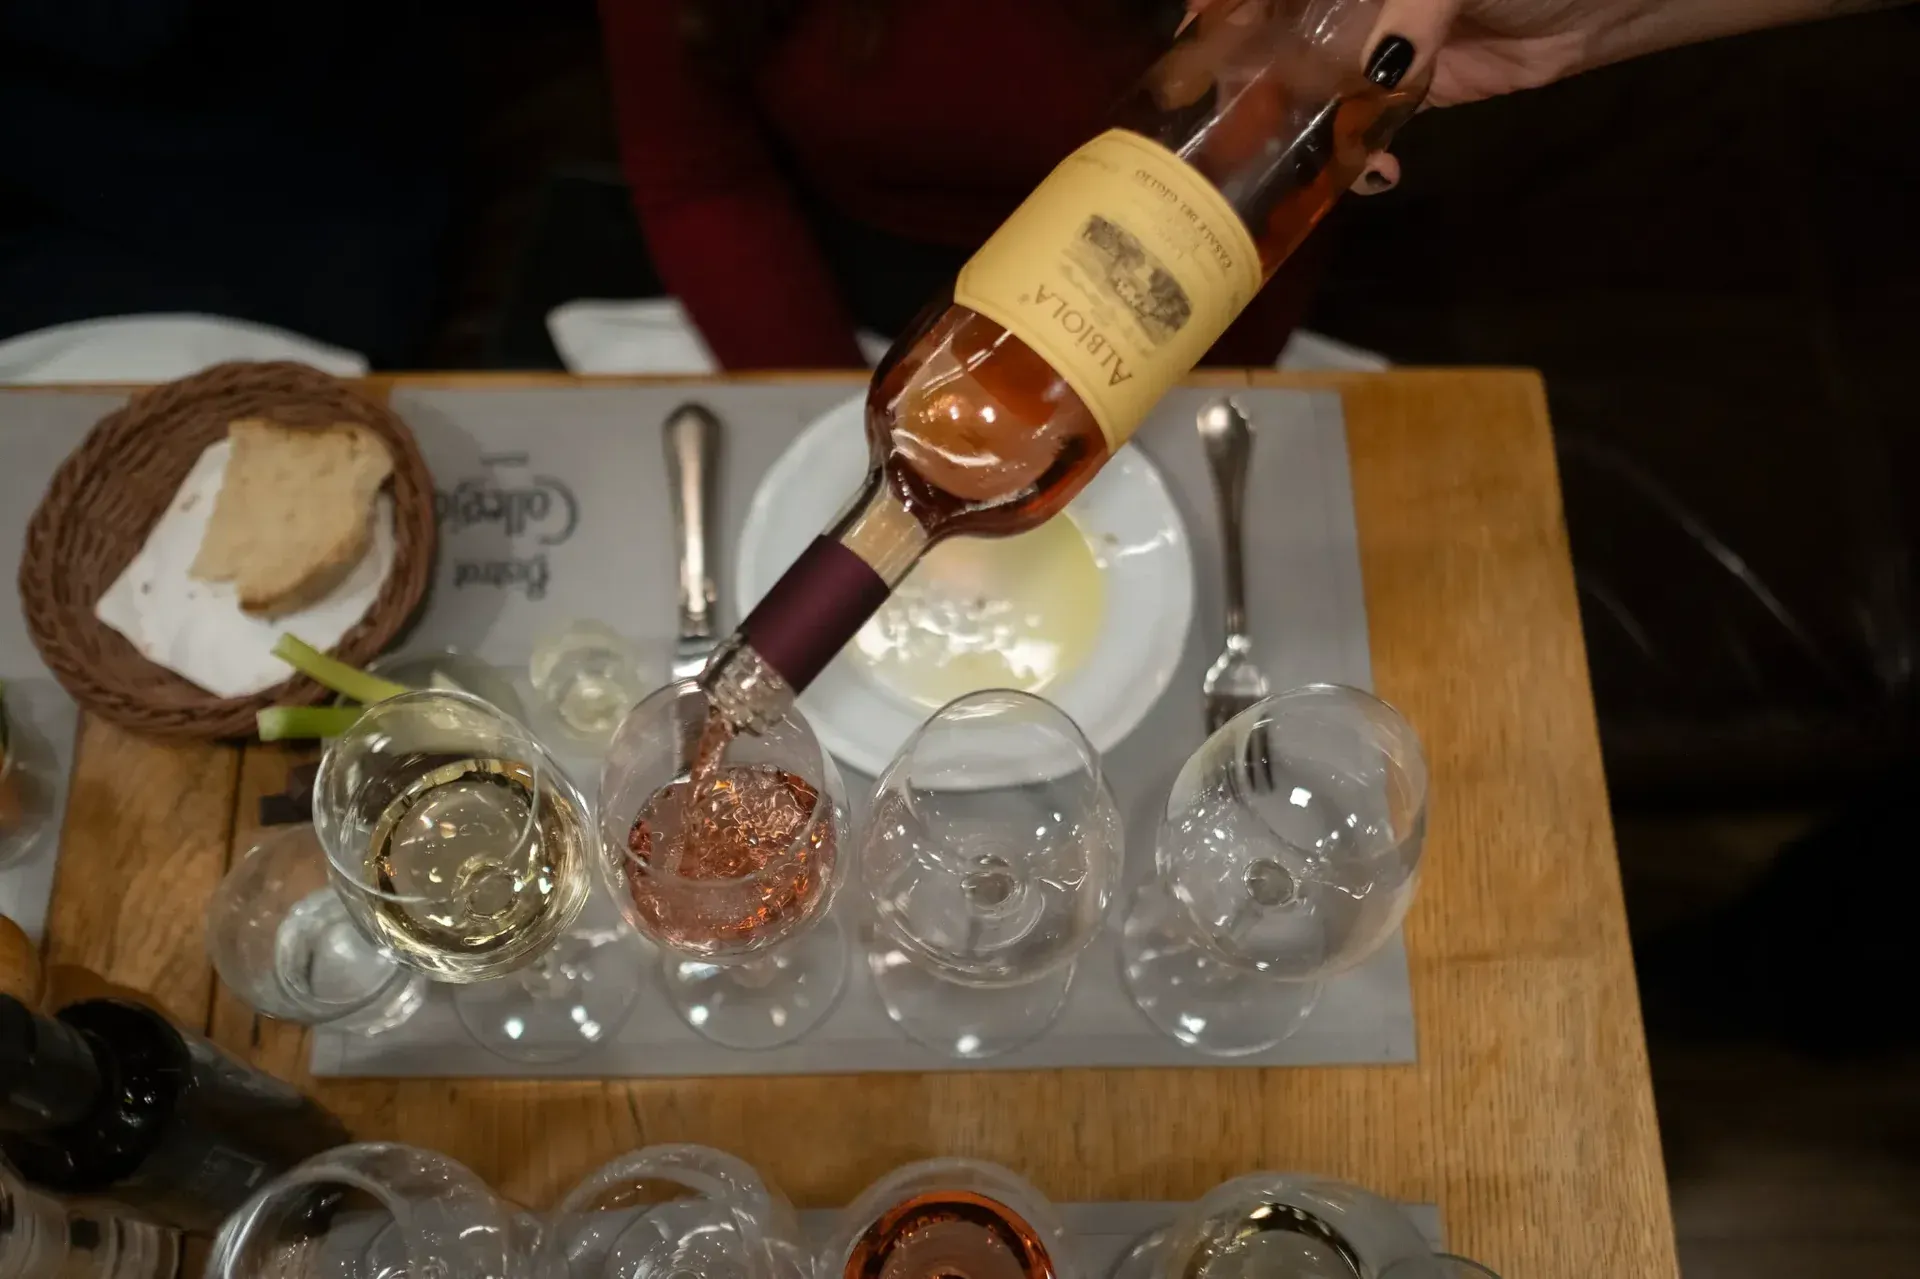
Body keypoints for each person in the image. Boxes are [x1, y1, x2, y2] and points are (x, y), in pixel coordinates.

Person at [602, 0, 1903, 372]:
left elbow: (1267, 199)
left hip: (1167, 309)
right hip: (832, 268)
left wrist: (1160, 392)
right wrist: (827, 407)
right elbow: (700, 173)